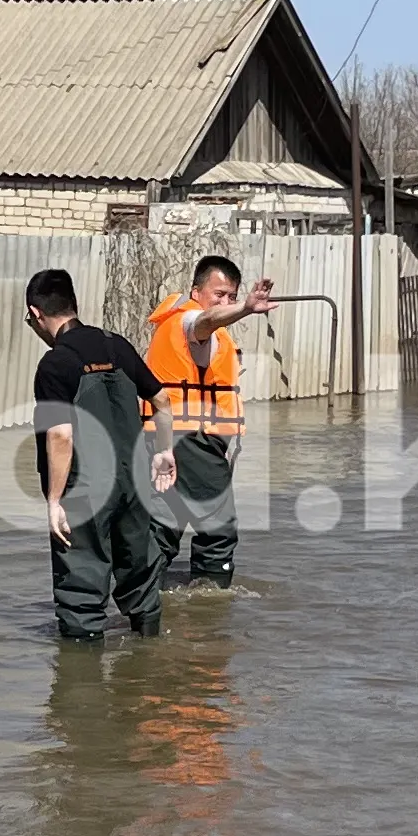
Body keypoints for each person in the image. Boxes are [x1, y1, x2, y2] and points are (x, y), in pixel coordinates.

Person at [24, 267, 173, 642]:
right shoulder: (116, 345)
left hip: (86, 493)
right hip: (134, 483)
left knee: (82, 591)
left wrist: (55, 501)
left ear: (36, 313)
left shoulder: (56, 363)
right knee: (141, 577)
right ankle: (149, 673)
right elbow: (162, 399)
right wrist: (164, 452)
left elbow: (60, 435)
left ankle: (81, 688)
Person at [143, 253, 273, 590]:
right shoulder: (191, 323)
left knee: (167, 524)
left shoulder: (175, 324)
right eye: (219, 294)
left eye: (232, 295)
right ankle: (210, 607)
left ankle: (144, 596)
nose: (225, 302)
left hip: (166, 438)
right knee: (218, 530)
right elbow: (207, 320)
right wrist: (244, 308)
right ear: (196, 291)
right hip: (192, 440)